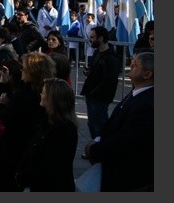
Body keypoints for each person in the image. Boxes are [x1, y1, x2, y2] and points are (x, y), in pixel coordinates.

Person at [84, 52, 153, 191]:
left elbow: (126, 141)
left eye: (135, 64)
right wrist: (99, 139)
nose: (130, 65)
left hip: (127, 179)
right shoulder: (137, 93)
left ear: (147, 74)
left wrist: (95, 150)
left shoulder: (147, 103)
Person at [0, 52, 56, 191]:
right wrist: (4, 86)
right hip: (26, 148)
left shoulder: (25, 95)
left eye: (25, 68)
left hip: (14, 152)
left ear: (32, 72)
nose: (22, 70)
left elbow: (2, 120)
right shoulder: (40, 90)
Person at [15, 77, 78, 191]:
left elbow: (51, 166)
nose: (40, 94)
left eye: (43, 92)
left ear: (52, 99)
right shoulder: (48, 121)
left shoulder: (63, 129)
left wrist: (27, 177)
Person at [80, 26, 121, 144]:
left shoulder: (111, 58)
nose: (90, 40)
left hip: (100, 97)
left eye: (93, 37)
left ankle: (101, 147)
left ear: (101, 38)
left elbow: (109, 80)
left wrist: (95, 92)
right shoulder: (97, 52)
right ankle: (95, 145)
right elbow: (96, 70)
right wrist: (89, 71)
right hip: (92, 95)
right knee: (92, 123)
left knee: (99, 124)